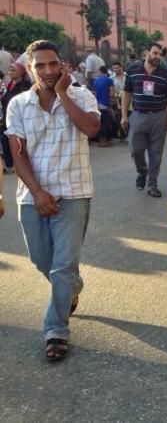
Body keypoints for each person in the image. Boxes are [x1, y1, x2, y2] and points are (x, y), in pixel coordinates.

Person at [5, 39, 100, 361]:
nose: (47, 70)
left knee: (61, 267)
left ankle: (56, 331)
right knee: (41, 260)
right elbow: (18, 154)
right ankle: (72, 286)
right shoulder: (18, 105)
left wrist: (63, 94)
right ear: (29, 68)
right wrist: (36, 192)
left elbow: (91, 128)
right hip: (32, 195)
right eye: (40, 65)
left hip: (73, 193)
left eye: (53, 64)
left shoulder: (81, 96)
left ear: (62, 65)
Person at [121, 42, 167, 198]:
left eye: (160, 54)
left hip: (159, 117)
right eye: (155, 53)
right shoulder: (132, 70)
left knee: (156, 153)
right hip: (138, 115)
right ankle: (142, 171)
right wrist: (124, 115)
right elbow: (126, 93)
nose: (158, 56)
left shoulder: (166, 74)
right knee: (135, 149)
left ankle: (152, 184)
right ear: (146, 52)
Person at [1, 63, 32, 173]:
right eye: (9, 69)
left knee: (17, 143)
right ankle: (9, 165)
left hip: (20, 119)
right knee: (4, 140)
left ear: (21, 72)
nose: (10, 71)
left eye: (13, 69)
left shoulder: (25, 85)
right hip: (7, 119)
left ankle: (21, 165)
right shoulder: (8, 85)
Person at [93, 65, 116, 147]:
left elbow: (94, 93)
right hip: (106, 104)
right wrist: (112, 101)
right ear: (107, 71)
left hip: (97, 104)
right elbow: (112, 92)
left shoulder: (96, 80)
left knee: (101, 122)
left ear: (100, 71)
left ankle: (104, 140)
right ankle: (102, 142)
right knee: (105, 123)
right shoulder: (109, 80)